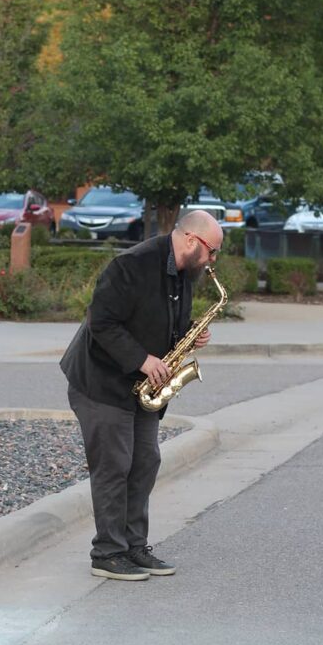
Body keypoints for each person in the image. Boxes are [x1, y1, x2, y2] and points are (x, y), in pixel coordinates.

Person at [60, 209, 224, 581]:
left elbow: (163, 323)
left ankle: (134, 546)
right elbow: (100, 322)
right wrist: (142, 359)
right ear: (190, 240)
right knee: (114, 465)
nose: (213, 260)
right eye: (211, 251)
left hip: (143, 387)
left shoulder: (186, 275)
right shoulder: (131, 266)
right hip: (101, 382)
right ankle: (108, 552)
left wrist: (187, 337)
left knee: (145, 461)